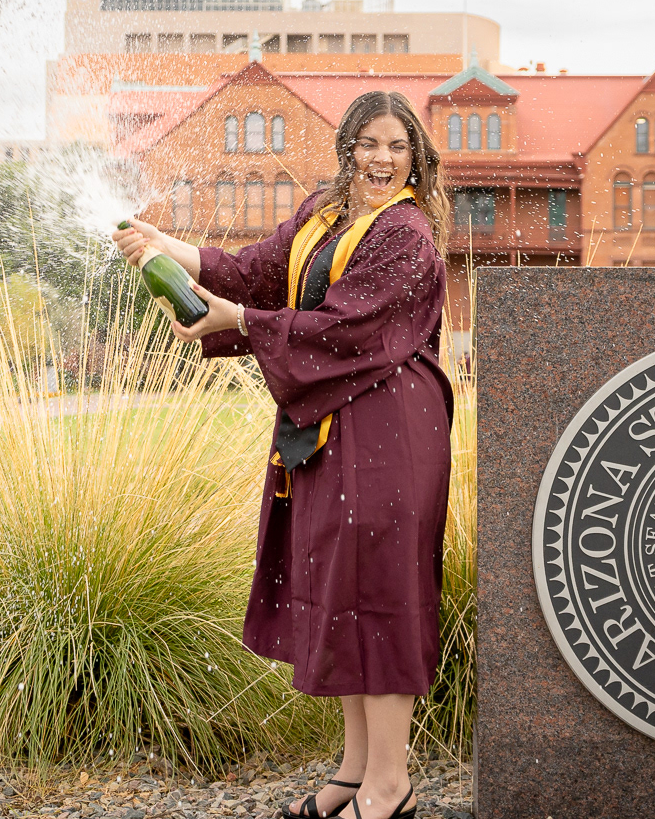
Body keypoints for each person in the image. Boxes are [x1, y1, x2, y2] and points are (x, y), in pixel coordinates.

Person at [113, 91, 453, 819]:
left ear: (415, 158)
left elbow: (347, 328)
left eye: (396, 147)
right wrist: (166, 247)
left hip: (392, 428)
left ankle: (391, 788)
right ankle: (358, 771)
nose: (381, 160)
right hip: (335, 424)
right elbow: (256, 272)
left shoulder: (407, 237)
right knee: (347, 593)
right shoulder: (325, 214)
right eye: (368, 144)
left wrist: (238, 322)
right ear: (348, 149)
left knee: (382, 598)